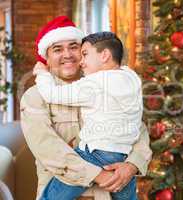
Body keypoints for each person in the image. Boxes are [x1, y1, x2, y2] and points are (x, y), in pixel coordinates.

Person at [20, 16, 152, 200]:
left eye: (74, 47)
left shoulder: (111, 86)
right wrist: (98, 175)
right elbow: (48, 149)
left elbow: (138, 129)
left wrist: (131, 166)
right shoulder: (35, 97)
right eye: (57, 49)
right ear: (46, 58)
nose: (67, 54)